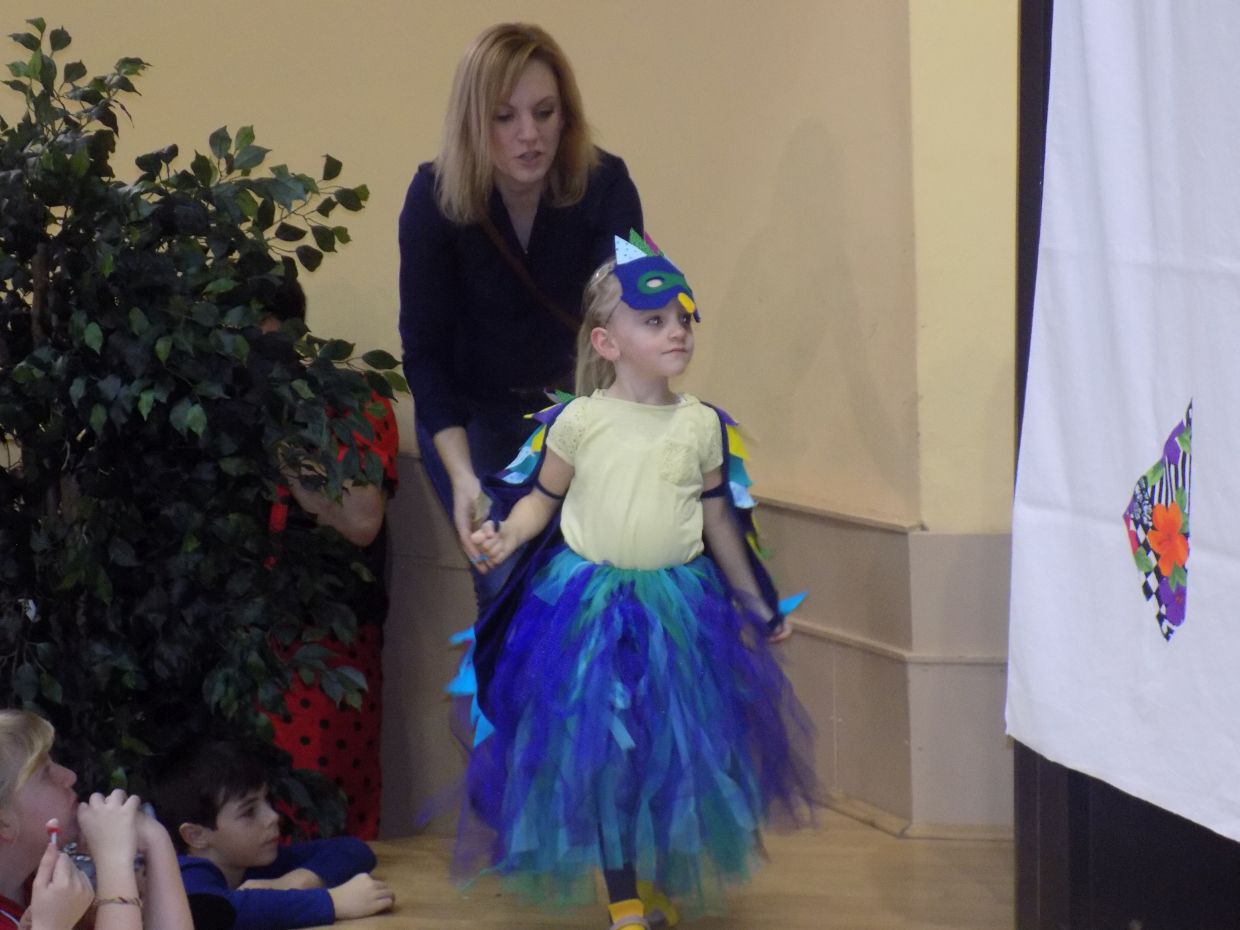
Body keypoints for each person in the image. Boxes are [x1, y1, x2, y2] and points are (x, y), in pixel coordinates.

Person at [454, 234, 817, 929]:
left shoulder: (701, 425)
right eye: (654, 320)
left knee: (671, 754)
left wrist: (759, 603)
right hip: (587, 613)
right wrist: (506, 535)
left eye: (683, 318)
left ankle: (654, 886)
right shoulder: (580, 421)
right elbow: (541, 501)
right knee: (604, 757)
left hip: (678, 613)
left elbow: (720, 526)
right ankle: (623, 900)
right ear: (608, 342)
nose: (676, 330)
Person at [398, 22, 643, 600]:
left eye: (544, 112)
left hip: (575, 413)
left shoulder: (606, 186)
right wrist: (463, 477)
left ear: (566, 115)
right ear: (472, 123)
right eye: (504, 117)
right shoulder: (433, 200)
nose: (529, 135)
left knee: (594, 589)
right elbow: (425, 354)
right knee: (506, 582)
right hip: (472, 419)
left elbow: (631, 317)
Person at [260, 280, 399, 839]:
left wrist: (282, 441)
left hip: (323, 631)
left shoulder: (348, 399)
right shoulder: (203, 399)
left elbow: (361, 521)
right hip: (235, 629)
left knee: (323, 813)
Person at [151, 740, 393, 930]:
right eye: (249, 812)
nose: (273, 817)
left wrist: (299, 880)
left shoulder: (250, 862)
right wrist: (333, 902)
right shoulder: (184, 876)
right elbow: (219, 912)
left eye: (267, 800)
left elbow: (352, 849)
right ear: (196, 836)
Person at [0, 709, 195, 930]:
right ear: (3, 822)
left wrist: (154, 839)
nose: (69, 776)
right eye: (45, 774)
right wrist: (114, 860)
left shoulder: (39, 889)